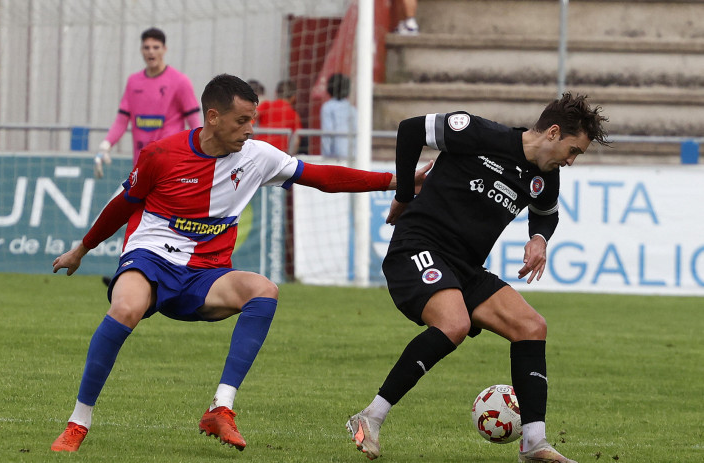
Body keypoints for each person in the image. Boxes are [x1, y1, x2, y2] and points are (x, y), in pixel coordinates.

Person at [50, 74, 431, 453]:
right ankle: (78, 422)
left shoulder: (258, 157)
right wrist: (82, 249)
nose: (250, 129)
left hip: (206, 273)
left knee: (264, 290)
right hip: (151, 258)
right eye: (242, 120)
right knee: (125, 307)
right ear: (213, 117)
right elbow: (124, 205)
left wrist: (397, 181)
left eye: (253, 120)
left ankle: (221, 407)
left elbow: (321, 177)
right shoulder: (160, 155)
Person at [346, 93, 609, 462]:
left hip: (465, 266)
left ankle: (534, 443)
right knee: (454, 323)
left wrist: (539, 238)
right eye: (573, 150)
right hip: (419, 244)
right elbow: (410, 130)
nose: (571, 160)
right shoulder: (478, 132)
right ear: (552, 132)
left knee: (531, 326)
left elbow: (546, 214)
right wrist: (404, 195)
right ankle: (370, 417)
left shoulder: (544, 177)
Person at [93, 27, 201, 178]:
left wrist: (201, 154)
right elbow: (121, 121)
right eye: (146, 47)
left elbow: (195, 123)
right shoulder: (133, 82)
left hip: (171, 164)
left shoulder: (180, 81)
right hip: (140, 165)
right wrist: (106, 145)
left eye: (156, 47)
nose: (151, 52)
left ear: (164, 49)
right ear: (141, 50)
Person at [254, 79, 302, 153]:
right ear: (294, 97)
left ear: (276, 93)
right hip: (280, 153)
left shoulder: (266, 105)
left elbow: (251, 117)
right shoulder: (294, 115)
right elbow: (296, 141)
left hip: (259, 150)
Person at [320, 73, 357, 159]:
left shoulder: (327, 107)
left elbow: (327, 133)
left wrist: (326, 155)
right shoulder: (353, 109)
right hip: (354, 154)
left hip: (335, 154)